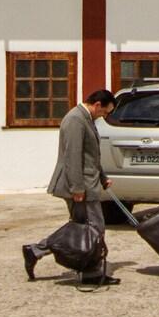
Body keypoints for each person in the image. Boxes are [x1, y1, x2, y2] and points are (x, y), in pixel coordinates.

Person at [23, 88, 116, 285]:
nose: (104, 116)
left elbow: (90, 155)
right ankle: (91, 273)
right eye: (104, 112)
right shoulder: (75, 119)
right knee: (94, 229)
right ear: (97, 104)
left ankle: (36, 250)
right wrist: (77, 188)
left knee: (80, 229)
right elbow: (73, 156)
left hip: (88, 182)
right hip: (80, 185)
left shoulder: (86, 118)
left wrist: (103, 177)